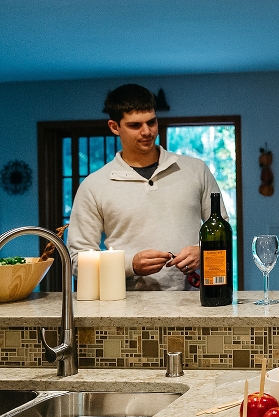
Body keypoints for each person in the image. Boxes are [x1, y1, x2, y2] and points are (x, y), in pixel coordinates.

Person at [67, 83, 227, 291]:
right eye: (135, 125)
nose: (147, 132)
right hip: (124, 307)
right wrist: (130, 265)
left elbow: (222, 230)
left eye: (151, 122)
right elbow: (78, 260)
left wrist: (203, 251)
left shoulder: (196, 170)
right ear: (114, 127)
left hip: (196, 301)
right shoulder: (94, 185)